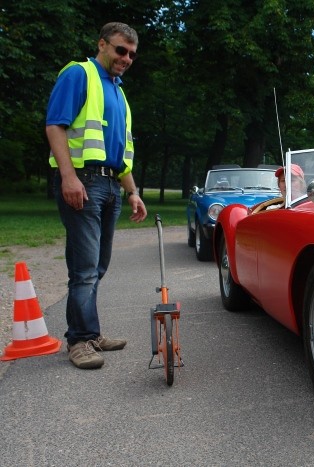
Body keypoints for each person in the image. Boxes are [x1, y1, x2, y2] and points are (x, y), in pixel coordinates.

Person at [46, 22, 147, 370]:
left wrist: (132, 191)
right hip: (84, 182)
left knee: (98, 266)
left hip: (110, 187)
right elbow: (54, 125)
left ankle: (90, 332)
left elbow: (120, 154)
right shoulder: (80, 74)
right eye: (120, 50)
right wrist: (68, 176)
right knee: (85, 268)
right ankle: (78, 341)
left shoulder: (119, 93)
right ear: (102, 44)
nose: (126, 58)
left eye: (132, 54)